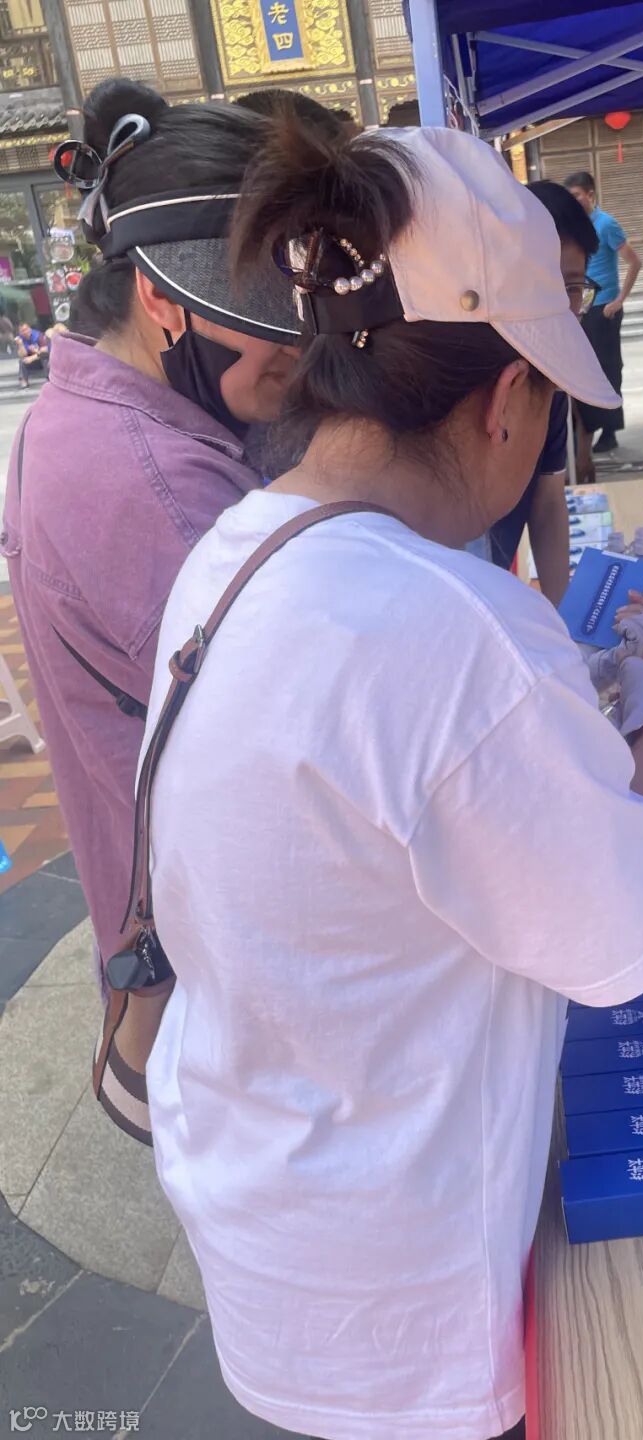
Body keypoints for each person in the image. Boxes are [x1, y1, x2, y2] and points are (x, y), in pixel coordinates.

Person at [142, 119, 643, 1440]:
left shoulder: (235, 548)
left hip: (267, 1214)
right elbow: (625, 942)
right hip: (404, 1293)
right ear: (504, 401)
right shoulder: (456, 629)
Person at [0, 78, 300, 1130]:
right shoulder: (157, 490)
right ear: (166, 298)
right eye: (268, 312)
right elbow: (316, 765)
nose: (299, 346)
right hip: (221, 996)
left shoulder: (89, 411)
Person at [487, 179, 597, 601]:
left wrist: (560, 614)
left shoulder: (550, 380)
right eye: (546, 283)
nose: (561, 307)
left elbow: (548, 500)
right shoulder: (466, 373)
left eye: (573, 288)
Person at [564, 170, 641, 458]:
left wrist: (619, 300)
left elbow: (635, 262)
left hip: (605, 308)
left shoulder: (607, 224)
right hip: (582, 309)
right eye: (570, 197)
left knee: (609, 368)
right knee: (585, 369)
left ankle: (610, 432)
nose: (574, 201)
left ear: (590, 195)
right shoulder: (574, 227)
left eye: (577, 196)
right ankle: (588, 427)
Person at [15, 321, 48, 388]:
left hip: (40, 360)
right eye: (22, 331)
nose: (25, 332)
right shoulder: (19, 339)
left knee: (45, 359)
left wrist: (34, 355)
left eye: (26, 329)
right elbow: (22, 355)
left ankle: (49, 378)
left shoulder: (38, 335)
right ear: (20, 332)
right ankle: (24, 381)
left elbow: (45, 351)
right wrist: (21, 345)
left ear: (29, 329)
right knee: (22, 361)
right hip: (31, 363)